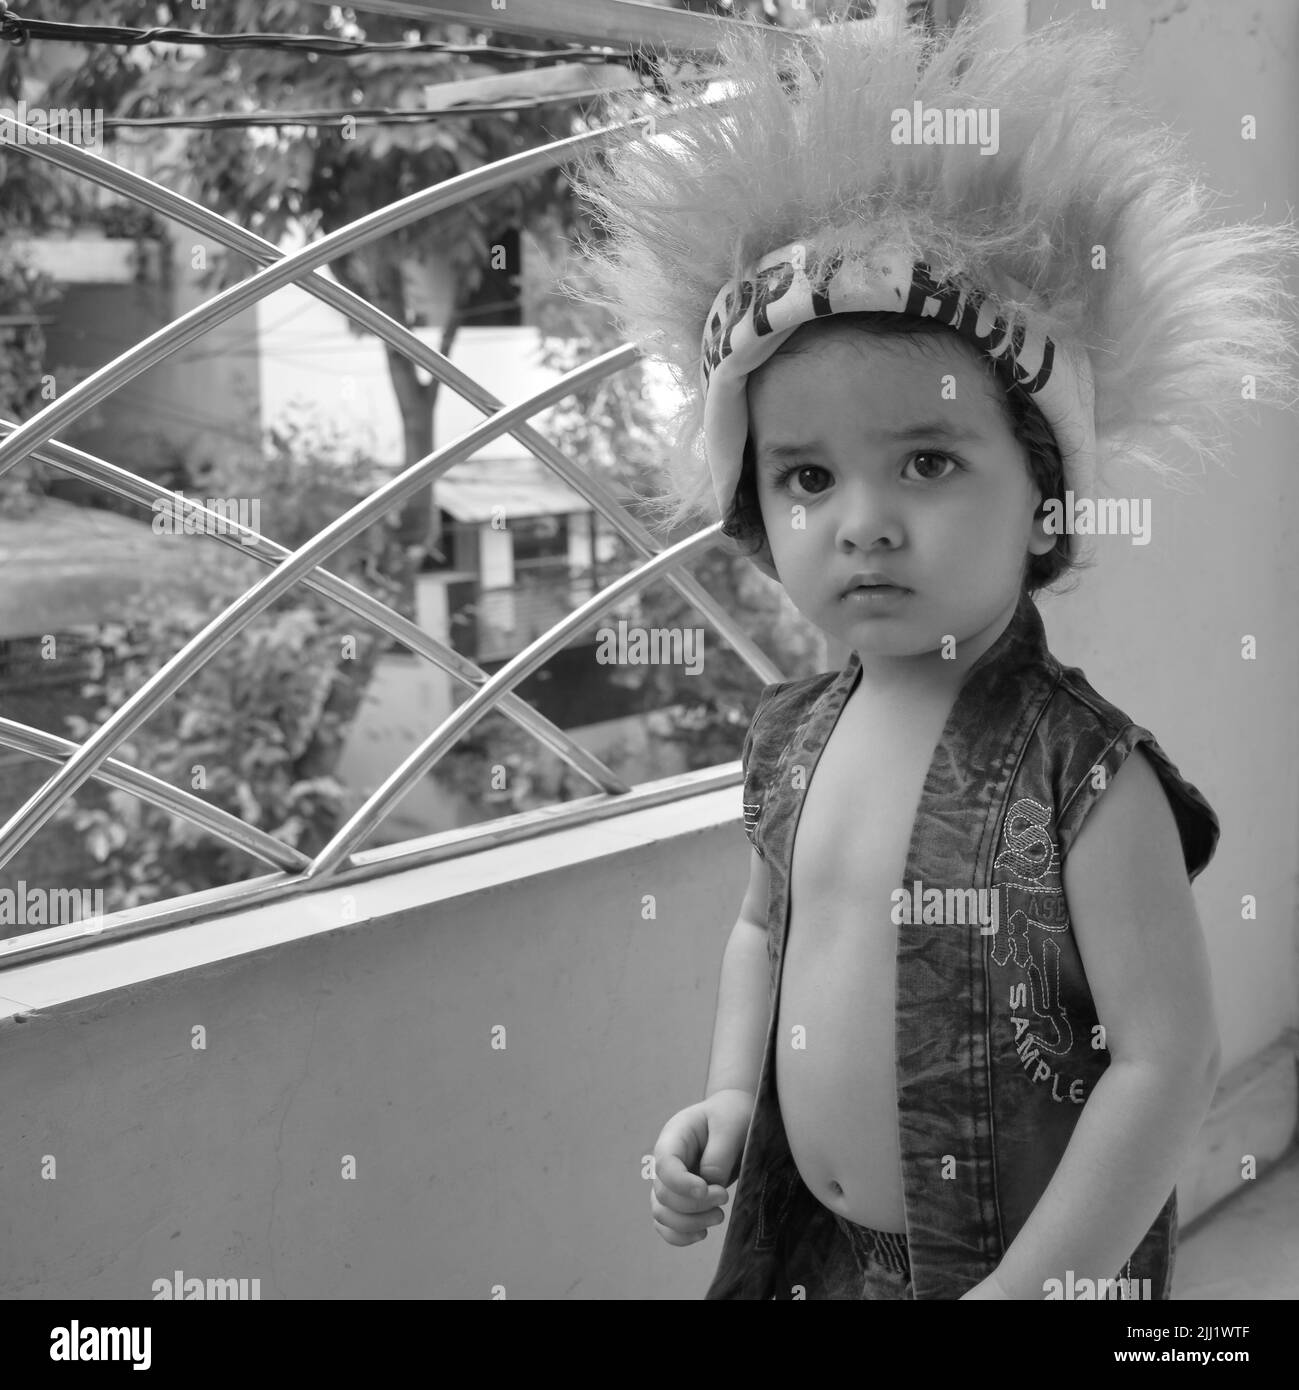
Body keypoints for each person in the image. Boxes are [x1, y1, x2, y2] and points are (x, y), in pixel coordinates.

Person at [569, 10, 1296, 1298]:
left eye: (929, 460)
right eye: (806, 475)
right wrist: (733, 1095)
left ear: (1046, 499)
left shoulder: (1086, 782)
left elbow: (1165, 1061)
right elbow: (764, 926)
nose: (865, 520)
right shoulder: (793, 737)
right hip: (818, 1257)